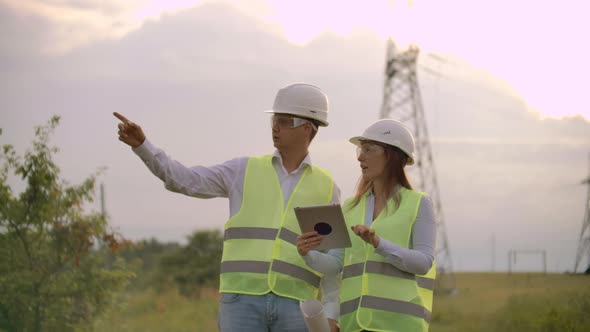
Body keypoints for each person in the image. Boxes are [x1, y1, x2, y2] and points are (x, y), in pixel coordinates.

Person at [114, 83, 341, 332]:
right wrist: (143, 146)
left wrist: (331, 313)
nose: (275, 127)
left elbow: (333, 262)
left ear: (307, 127)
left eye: (285, 121)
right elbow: (185, 180)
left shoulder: (326, 187)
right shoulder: (243, 170)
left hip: (298, 307)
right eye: (275, 119)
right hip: (241, 300)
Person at [297, 119, 437, 332]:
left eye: (368, 150)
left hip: (401, 325)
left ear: (392, 155)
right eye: (360, 151)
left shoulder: (419, 203)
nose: (360, 157)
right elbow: (335, 265)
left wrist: (379, 243)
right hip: (354, 324)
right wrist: (308, 254)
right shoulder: (349, 207)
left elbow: (423, 262)